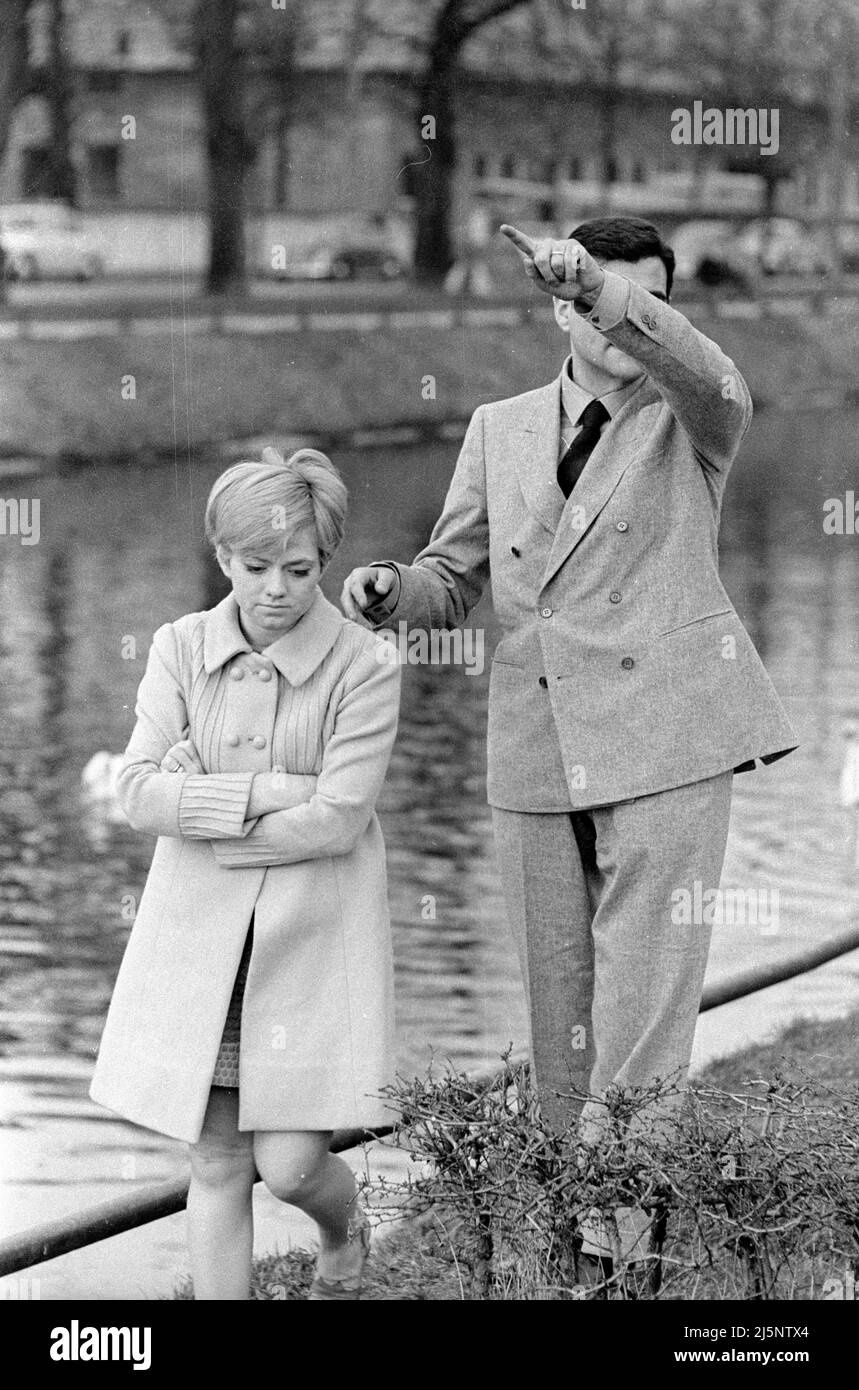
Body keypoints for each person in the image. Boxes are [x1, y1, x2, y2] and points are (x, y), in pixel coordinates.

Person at [341, 216, 798, 1280]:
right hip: (537, 748)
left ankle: (622, 1252)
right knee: (562, 1026)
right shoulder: (498, 427)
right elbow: (449, 579)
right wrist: (387, 592)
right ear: (551, 309)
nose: (609, 316)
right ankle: (564, 1247)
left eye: (638, 300)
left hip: (668, 738)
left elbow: (711, 369)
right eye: (587, 294)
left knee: (641, 1020)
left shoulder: (695, 415)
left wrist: (606, 287)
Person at [90, 447, 401, 1301]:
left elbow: (339, 818)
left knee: (295, 1166)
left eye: (298, 570)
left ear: (325, 563)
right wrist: (269, 792)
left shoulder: (365, 664)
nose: (275, 589)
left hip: (310, 943)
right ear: (222, 558)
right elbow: (136, 792)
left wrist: (203, 803)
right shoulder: (179, 647)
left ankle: (345, 1225)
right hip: (199, 953)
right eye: (255, 567)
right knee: (218, 1161)